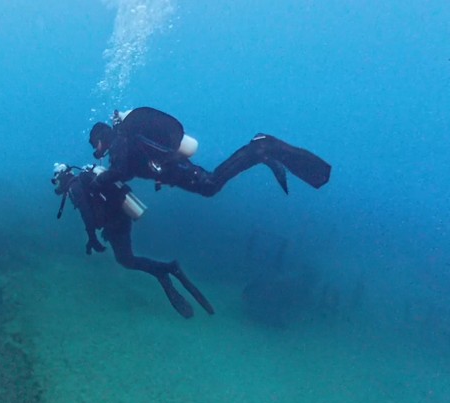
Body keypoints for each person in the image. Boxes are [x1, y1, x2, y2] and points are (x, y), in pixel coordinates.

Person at [52, 163, 214, 319]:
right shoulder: (82, 182)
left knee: (125, 260)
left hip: (116, 221)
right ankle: (162, 270)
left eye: (56, 180)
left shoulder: (74, 188)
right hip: (119, 219)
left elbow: (86, 213)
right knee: (125, 259)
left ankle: (167, 269)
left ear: (63, 176)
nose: (56, 184)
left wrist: (92, 238)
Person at [88, 107, 332, 196]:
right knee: (210, 185)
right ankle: (262, 156)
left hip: (175, 167)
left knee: (210, 185)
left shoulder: (119, 141)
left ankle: (259, 148)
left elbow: (119, 171)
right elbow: (128, 171)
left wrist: (99, 180)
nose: (97, 151)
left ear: (101, 138)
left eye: (95, 146)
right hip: (173, 167)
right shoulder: (124, 141)